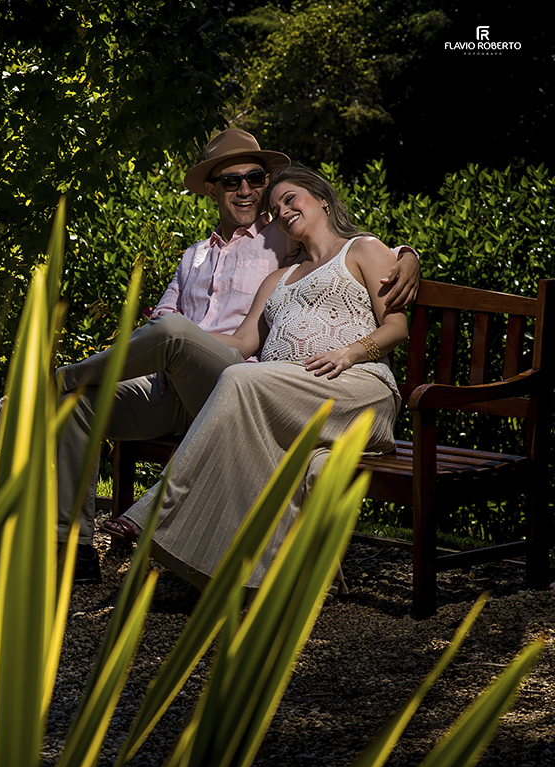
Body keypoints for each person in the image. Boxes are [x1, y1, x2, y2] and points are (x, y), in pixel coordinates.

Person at [53, 130, 419, 584]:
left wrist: (408, 254)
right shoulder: (196, 257)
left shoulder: (277, 240)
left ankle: (65, 387)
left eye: (256, 179)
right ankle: (73, 549)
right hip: (190, 384)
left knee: (188, 344)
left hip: (250, 385)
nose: (247, 190)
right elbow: (173, 320)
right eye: (231, 181)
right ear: (212, 189)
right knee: (80, 404)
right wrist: (177, 345)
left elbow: (355, 253)